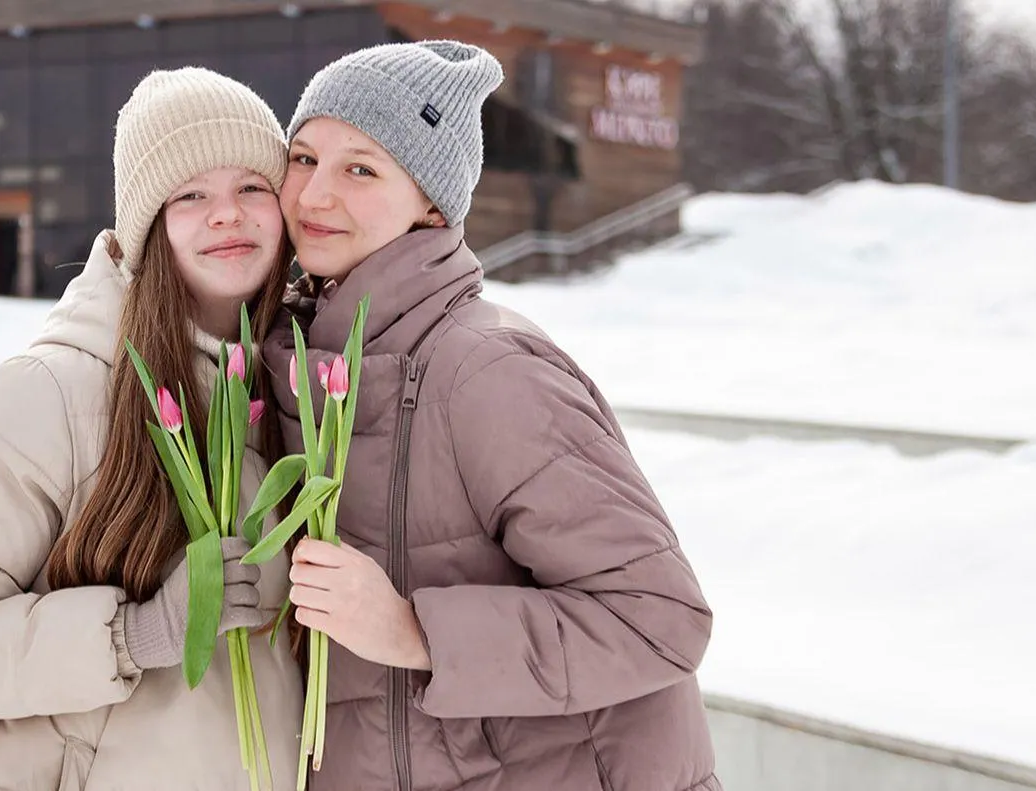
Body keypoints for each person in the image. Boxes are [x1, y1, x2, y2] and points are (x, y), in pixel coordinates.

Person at [261, 41, 721, 791]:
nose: (313, 196)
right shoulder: (293, 363)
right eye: (304, 157)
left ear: (433, 204)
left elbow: (659, 617)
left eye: (361, 168)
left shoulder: (488, 372)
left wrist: (415, 631)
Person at [0, 67, 304, 791]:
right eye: (191, 194)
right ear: (146, 224)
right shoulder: (47, 392)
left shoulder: (295, 393)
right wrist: (134, 635)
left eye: (251, 188)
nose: (227, 214)